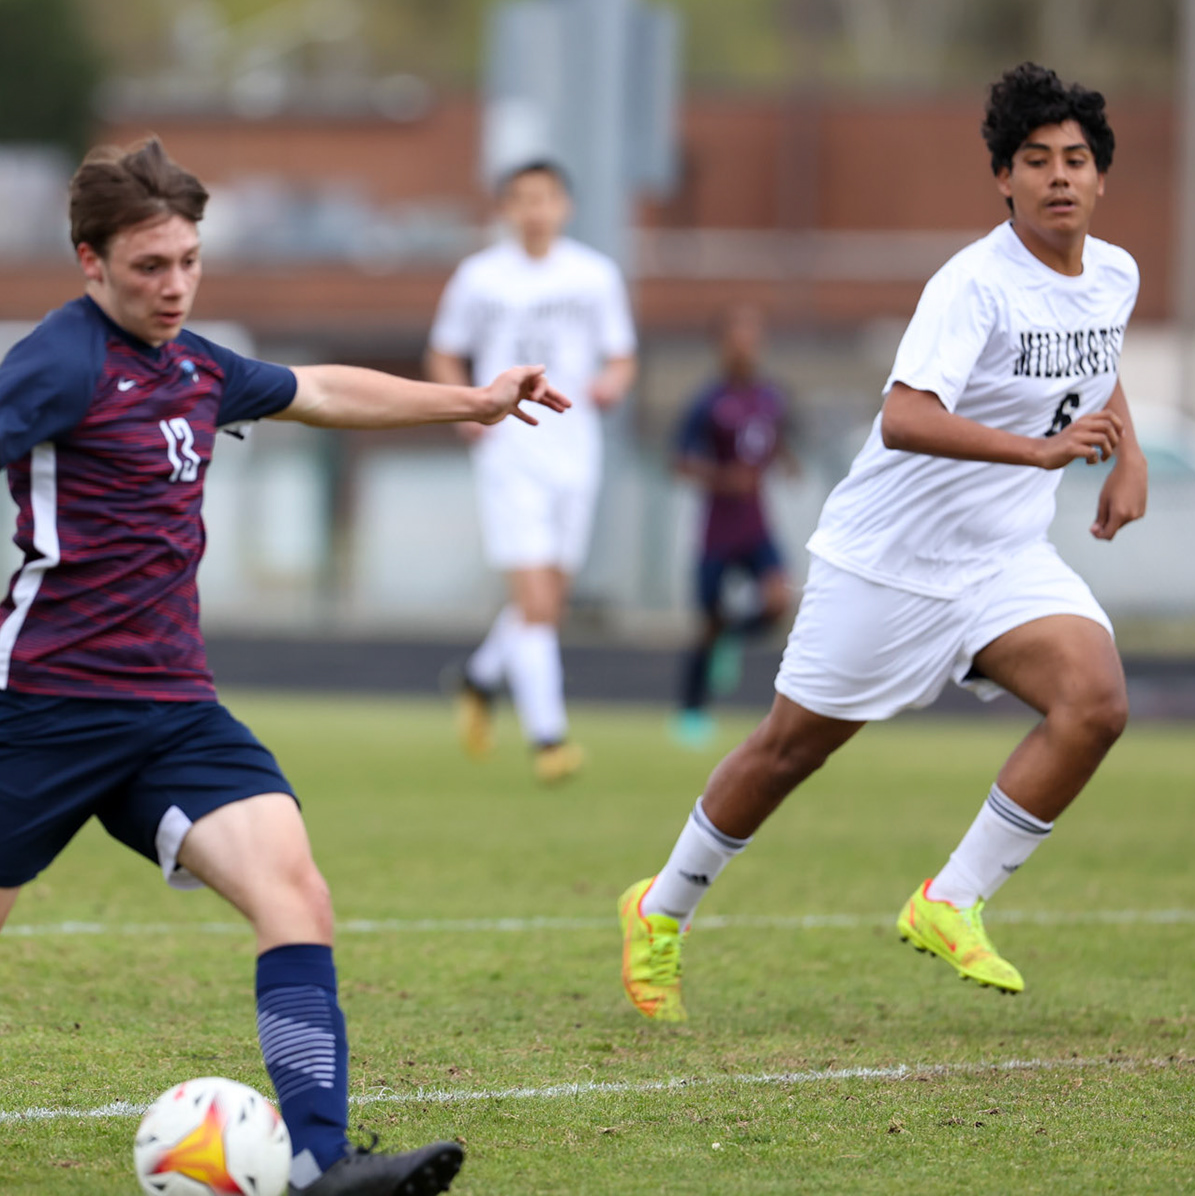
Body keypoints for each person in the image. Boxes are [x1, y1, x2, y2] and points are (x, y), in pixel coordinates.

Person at [0, 138, 570, 1195]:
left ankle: (326, 1166)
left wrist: (471, 400)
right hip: (41, 710)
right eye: (150, 266)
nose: (176, 284)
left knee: (296, 895)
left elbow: (320, 388)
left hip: (176, 713)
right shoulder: (61, 361)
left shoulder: (195, 364)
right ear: (89, 262)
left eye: (188, 259)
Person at [617, 62, 1148, 1023]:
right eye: (1036, 161)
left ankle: (950, 899)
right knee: (788, 752)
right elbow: (904, 416)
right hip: (888, 562)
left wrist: (1129, 457)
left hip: (1003, 562)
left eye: (1076, 160)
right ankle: (661, 910)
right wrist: (1040, 451)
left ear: (1102, 177)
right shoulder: (973, 285)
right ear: (1004, 178)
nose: (1059, 176)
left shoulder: (1116, 273)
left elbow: (1099, 364)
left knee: (1095, 701)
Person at [426, 160, 638, 785]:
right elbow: (443, 350)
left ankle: (479, 678)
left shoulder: (594, 274)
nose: (534, 210)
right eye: (521, 199)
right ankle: (550, 740)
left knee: (548, 601)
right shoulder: (480, 277)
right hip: (510, 448)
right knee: (537, 604)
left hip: (576, 452)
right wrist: (464, 403)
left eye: (545, 198)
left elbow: (621, 355)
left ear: (565, 206)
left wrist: (610, 386)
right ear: (505, 209)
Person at [669, 304, 793, 749]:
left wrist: (787, 463)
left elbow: (775, 440)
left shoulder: (771, 396)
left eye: (752, 337)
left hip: (757, 525)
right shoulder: (707, 401)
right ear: (722, 346)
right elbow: (678, 462)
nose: (746, 346)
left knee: (779, 599)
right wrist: (723, 479)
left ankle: (732, 639)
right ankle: (690, 711)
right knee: (707, 624)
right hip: (718, 529)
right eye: (737, 338)